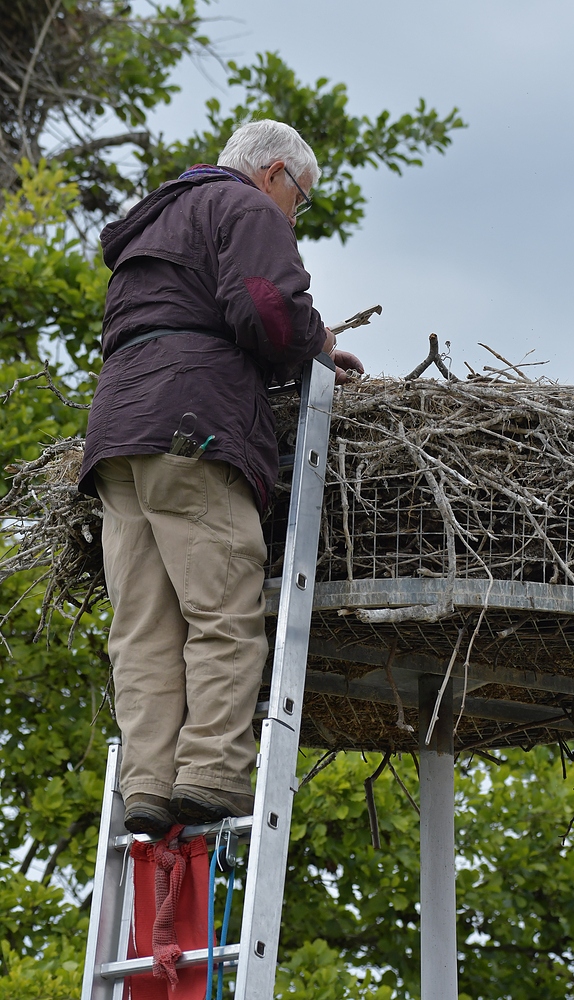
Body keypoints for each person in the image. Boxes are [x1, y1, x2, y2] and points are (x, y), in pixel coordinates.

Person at [79, 120, 363, 835]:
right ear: (273, 174)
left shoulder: (152, 227)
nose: (292, 215)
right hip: (193, 426)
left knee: (141, 625)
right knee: (222, 612)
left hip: (118, 435)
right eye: (298, 200)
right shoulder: (240, 207)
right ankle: (208, 773)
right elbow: (266, 309)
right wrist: (317, 349)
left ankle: (145, 787)